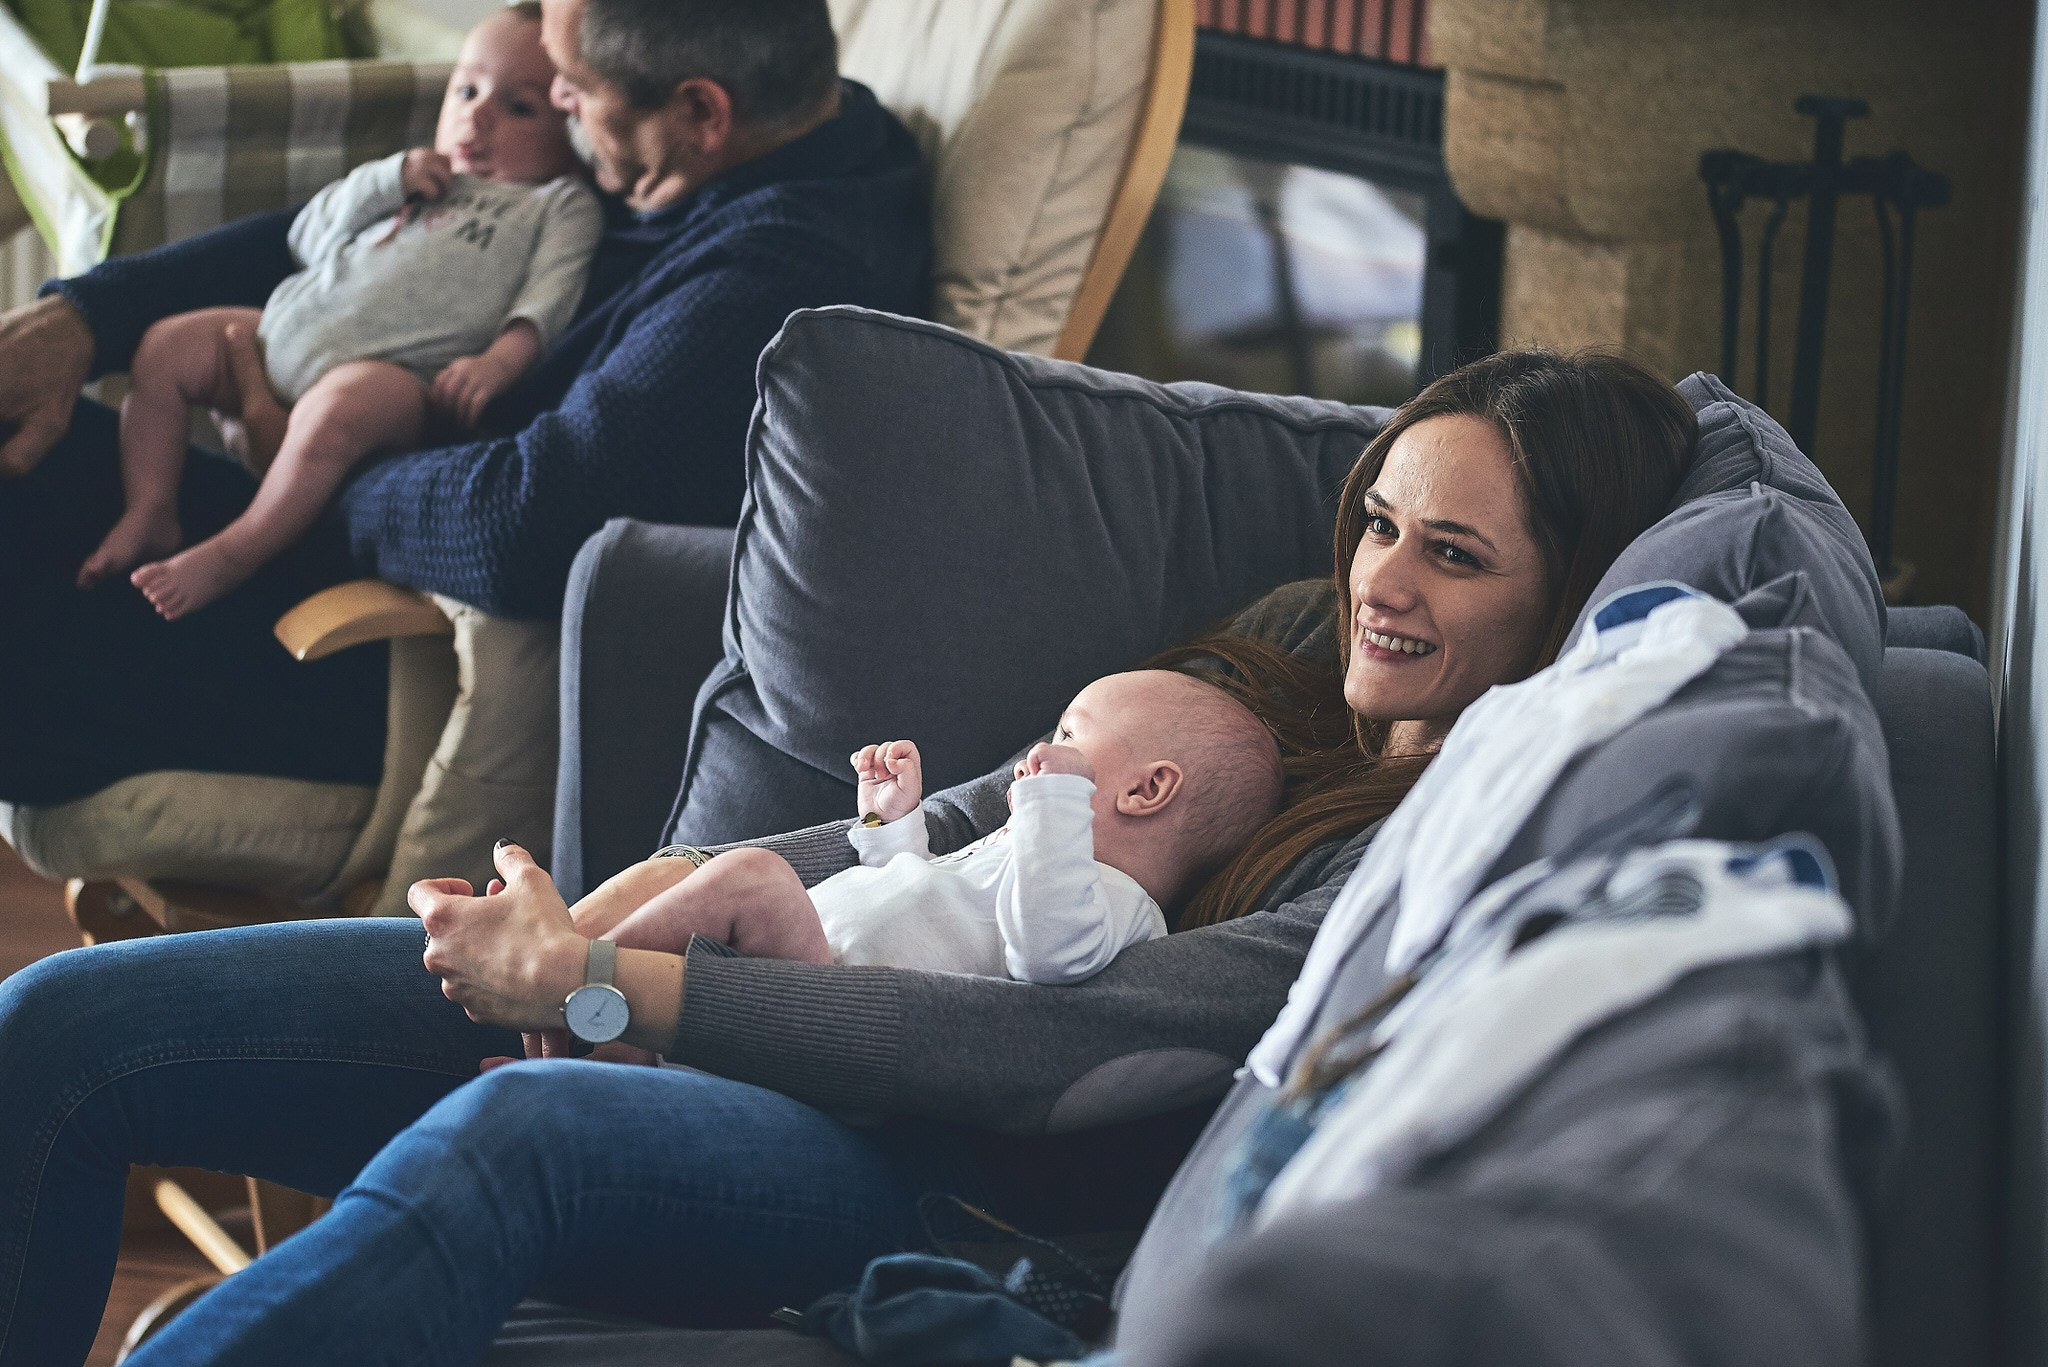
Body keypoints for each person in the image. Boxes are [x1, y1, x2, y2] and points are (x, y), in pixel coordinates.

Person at [0, 351, 1697, 1366]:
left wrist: (601, 992)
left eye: (1452, 555)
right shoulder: (1296, 647)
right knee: (65, 1031)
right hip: (730, 1005)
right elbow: (960, 813)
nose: (1381, 581)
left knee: (528, 1119)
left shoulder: (1438, 836)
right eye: (1380, 520)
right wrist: (591, 917)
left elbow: (1049, 1051)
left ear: (1563, 602)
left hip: (940, 1182)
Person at [0, 0, 928, 810]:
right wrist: (91, 318)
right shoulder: (748, 136)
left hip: (391, 643)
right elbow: (371, 264)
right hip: (319, 514)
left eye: (570, 83)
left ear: (699, 111)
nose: (556, 103)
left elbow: (521, 524)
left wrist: (313, 459)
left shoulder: (773, 282)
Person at [81, 4, 603, 621]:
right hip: (280, 332)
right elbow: (306, 237)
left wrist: (497, 363)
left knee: (338, 411)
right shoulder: (412, 174)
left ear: (573, 129)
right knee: (165, 345)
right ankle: (150, 508)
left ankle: (237, 550)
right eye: (466, 90)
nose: (477, 115)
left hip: (397, 377)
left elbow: (549, 298)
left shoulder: (555, 205)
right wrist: (387, 180)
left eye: (519, 107)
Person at [553, 671, 1284, 984]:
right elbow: (911, 884)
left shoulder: (1118, 903)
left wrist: (1054, 808)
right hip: (807, 960)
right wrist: (888, 818)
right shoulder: (1020, 849)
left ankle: (559, 972)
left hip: (834, 1000)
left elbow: (1048, 953)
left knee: (750, 876)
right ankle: (575, 1030)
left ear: (1147, 789)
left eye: (1070, 731)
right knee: (715, 910)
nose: (1038, 750)